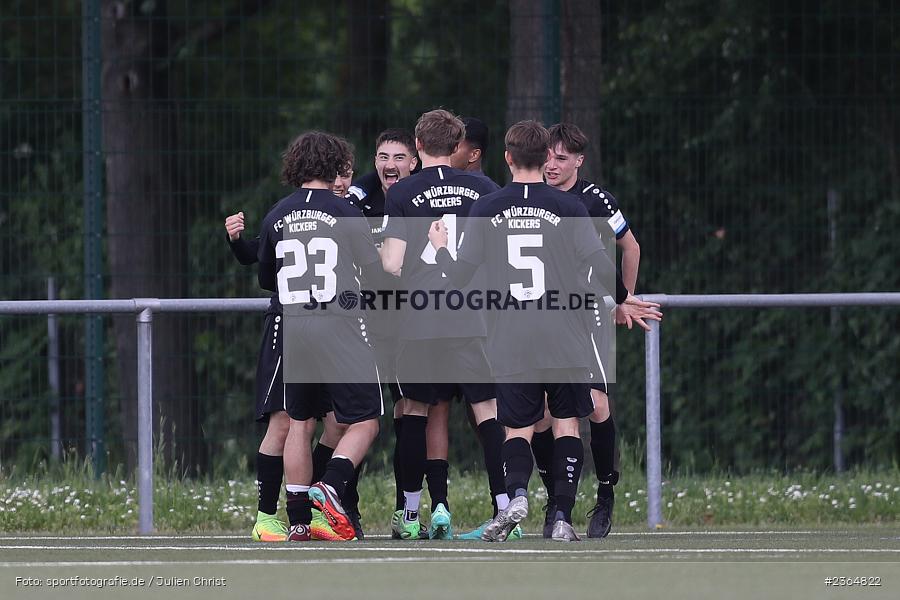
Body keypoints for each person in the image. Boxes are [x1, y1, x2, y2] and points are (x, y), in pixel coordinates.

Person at [426, 120, 661, 541]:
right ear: (544, 157)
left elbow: (457, 278)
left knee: (516, 427)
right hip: (564, 329)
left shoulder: (487, 207)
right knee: (567, 422)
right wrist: (622, 296)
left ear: (509, 158)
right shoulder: (571, 208)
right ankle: (561, 519)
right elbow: (606, 272)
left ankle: (517, 493)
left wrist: (442, 249)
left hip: (510, 332)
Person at [380, 109, 508, 540]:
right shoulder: (485, 188)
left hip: (419, 317)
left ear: (417, 146)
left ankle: (412, 516)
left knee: (415, 411)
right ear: (457, 147)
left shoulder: (402, 192)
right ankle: (505, 510)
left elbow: (393, 265)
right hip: (469, 314)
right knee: (487, 411)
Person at [256, 131, 389, 541]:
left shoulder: (277, 214)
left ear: (296, 165)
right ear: (335, 166)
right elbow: (374, 273)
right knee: (365, 419)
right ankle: (330, 485)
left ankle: (297, 519)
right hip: (339, 323)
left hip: (294, 327)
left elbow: (266, 278)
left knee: (300, 422)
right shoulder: (345, 211)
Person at [224, 155, 362, 541]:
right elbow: (262, 264)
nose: (342, 179)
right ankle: (269, 516)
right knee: (288, 422)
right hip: (294, 325)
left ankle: (311, 507)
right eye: (339, 171)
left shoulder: (349, 211)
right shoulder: (289, 213)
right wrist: (236, 242)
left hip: (333, 329)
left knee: (339, 421)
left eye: (349, 173)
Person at [534, 122, 641, 538]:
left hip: (588, 314)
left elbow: (630, 245)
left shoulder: (595, 200)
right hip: (539, 317)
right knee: (541, 414)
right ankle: (557, 502)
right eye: (547, 156)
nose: (552, 165)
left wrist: (623, 299)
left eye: (562, 158)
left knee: (595, 404)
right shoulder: (532, 199)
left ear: (579, 160)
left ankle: (606, 494)